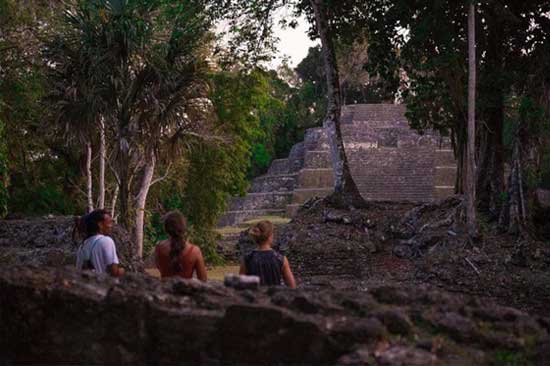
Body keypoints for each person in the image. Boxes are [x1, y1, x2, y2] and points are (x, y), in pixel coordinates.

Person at [239, 220, 296, 288]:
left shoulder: (247, 259)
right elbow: (292, 286)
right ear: (270, 236)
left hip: (255, 297)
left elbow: (240, 286)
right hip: (275, 297)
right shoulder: (281, 259)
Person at [154, 211, 207, 281]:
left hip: (164, 290)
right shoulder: (195, 251)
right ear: (184, 228)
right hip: (185, 291)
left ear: (166, 229)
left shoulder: (159, 248)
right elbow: (203, 279)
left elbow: (159, 267)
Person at [75, 209, 125, 277]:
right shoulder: (106, 241)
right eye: (109, 222)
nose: (111, 226)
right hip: (103, 286)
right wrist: (122, 271)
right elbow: (113, 272)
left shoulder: (82, 246)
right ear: (100, 225)